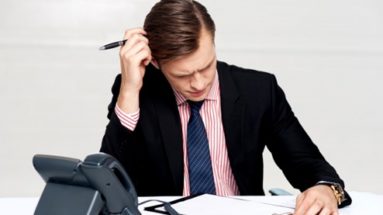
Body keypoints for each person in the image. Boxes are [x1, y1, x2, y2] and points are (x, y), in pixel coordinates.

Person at [101, 0, 351, 214]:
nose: (198, 83)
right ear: (155, 62)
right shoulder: (138, 91)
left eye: (206, 66)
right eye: (182, 75)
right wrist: (130, 89)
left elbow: (309, 164)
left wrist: (324, 188)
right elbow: (108, 184)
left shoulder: (259, 91)